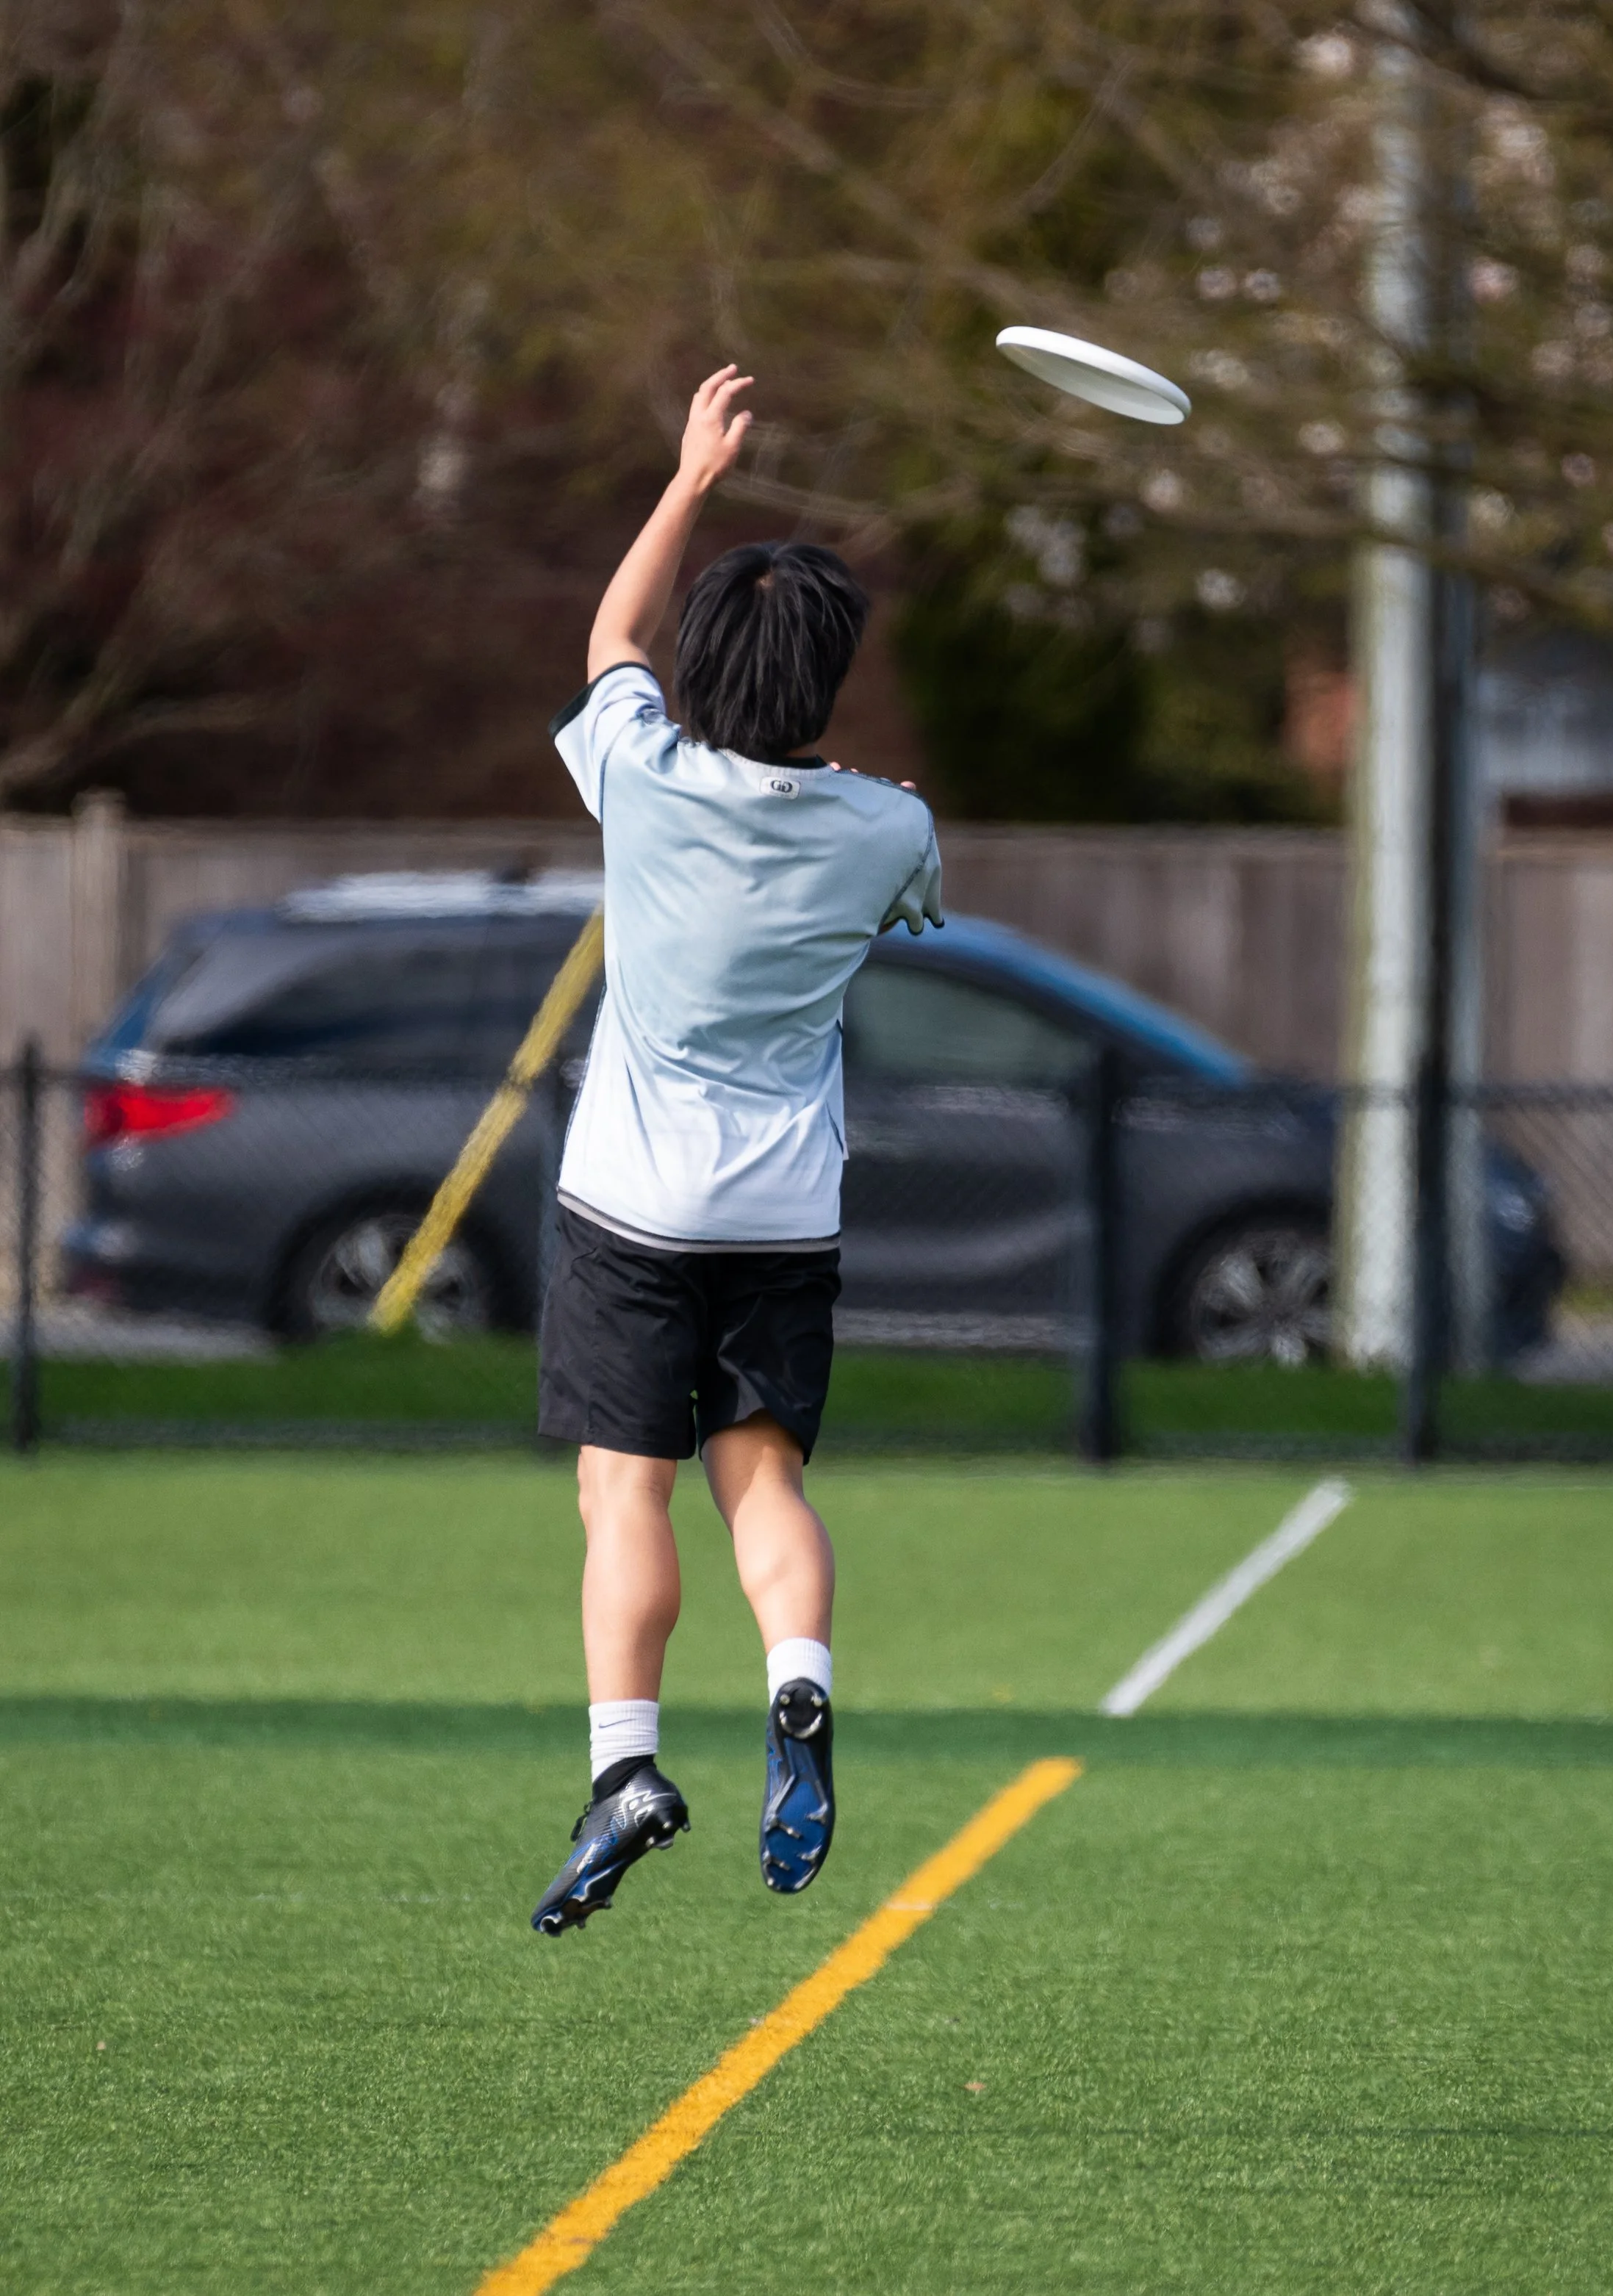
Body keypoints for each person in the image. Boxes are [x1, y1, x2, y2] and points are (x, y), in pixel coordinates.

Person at [531, 367, 942, 1936]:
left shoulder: (639, 770)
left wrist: (691, 481)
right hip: (782, 1210)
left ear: (707, 661)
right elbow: (891, 882)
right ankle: (797, 1684)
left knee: (619, 1487)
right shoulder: (883, 827)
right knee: (755, 1470)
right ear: (829, 678)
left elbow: (606, 645)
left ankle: (624, 1765)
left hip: (631, 1204)